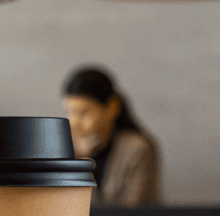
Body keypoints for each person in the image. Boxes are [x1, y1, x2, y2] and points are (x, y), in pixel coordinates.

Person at [62, 66, 160, 206]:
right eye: (69, 112)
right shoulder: (64, 147)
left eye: (84, 113)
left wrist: (82, 164)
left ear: (112, 107)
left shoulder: (137, 148)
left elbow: (133, 211)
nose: (74, 122)